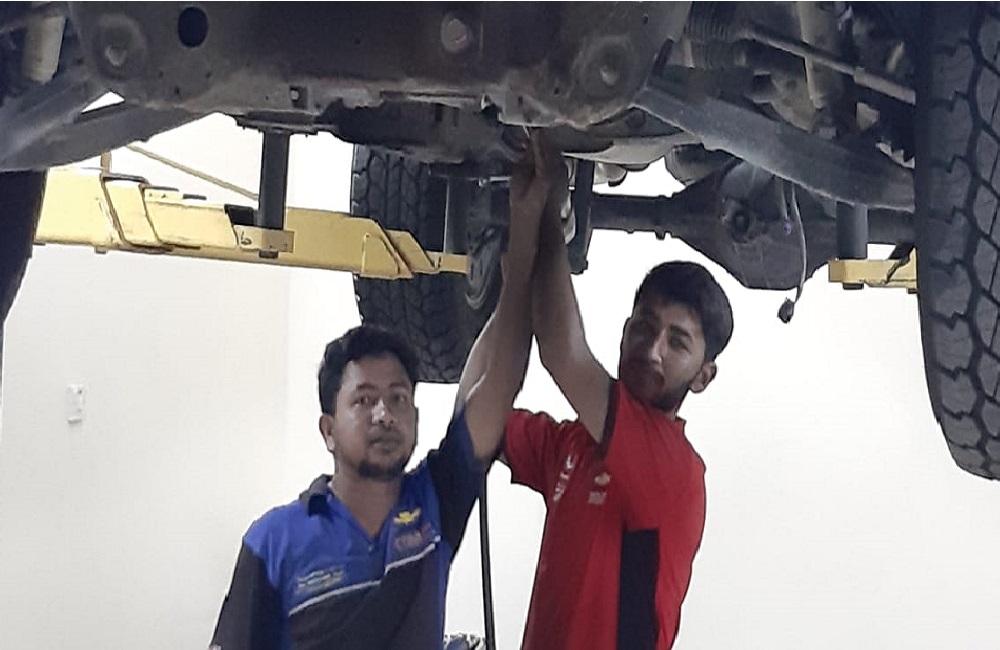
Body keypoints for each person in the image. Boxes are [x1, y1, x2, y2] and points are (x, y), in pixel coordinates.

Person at [209, 134, 559, 650]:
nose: (384, 413)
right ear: (328, 428)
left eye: (398, 398)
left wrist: (525, 228)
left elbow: (501, 382)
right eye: (363, 399)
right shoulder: (275, 540)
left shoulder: (435, 501)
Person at [502, 175, 735, 649]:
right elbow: (479, 417)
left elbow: (563, 352)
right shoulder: (574, 443)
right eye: (645, 328)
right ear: (626, 330)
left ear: (702, 376)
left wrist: (549, 216)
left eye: (677, 343)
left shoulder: (675, 469)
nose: (652, 350)